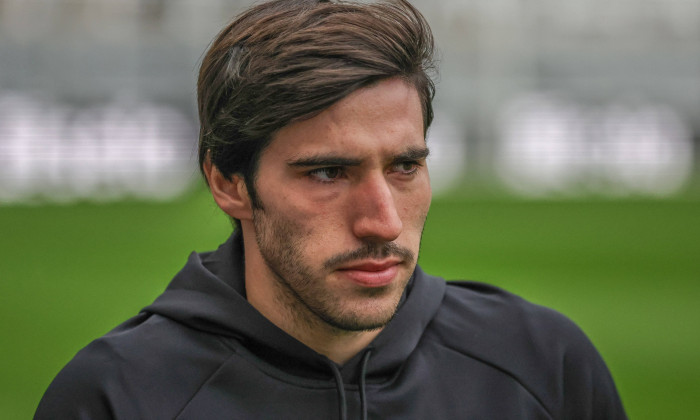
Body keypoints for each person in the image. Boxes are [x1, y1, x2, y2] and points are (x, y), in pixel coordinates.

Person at [35, 0, 627, 418]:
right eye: (326, 172)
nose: (383, 221)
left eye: (404, 167)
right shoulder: (116, 397)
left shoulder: (543, 364)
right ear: (228, 183)